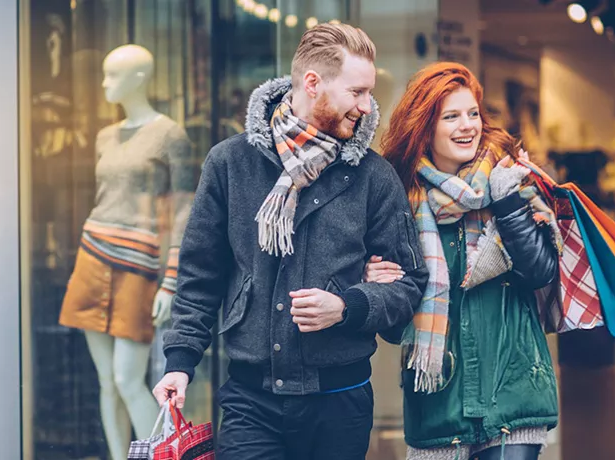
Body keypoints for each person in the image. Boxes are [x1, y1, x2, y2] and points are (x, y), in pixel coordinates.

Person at [152, 23, 429, 459]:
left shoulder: (374, 176)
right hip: (249, 399)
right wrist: (180, 363)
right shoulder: (230, 162)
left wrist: (348, 305)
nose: (367, 106)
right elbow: (200, 274)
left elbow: (409, 283)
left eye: (368, 93)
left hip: (341, 401)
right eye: (356, 92)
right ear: (313, 84)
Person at [363, 62, 560, 460]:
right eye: (451, 117)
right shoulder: (399, 204)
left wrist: (507, 205)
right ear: (424, 128)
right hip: (439, 403)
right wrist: (378, 286)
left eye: (473, 114)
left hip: (514, 392)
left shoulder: (509, 182)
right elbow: (394, 330)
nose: (467, 125)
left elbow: (539, 272)